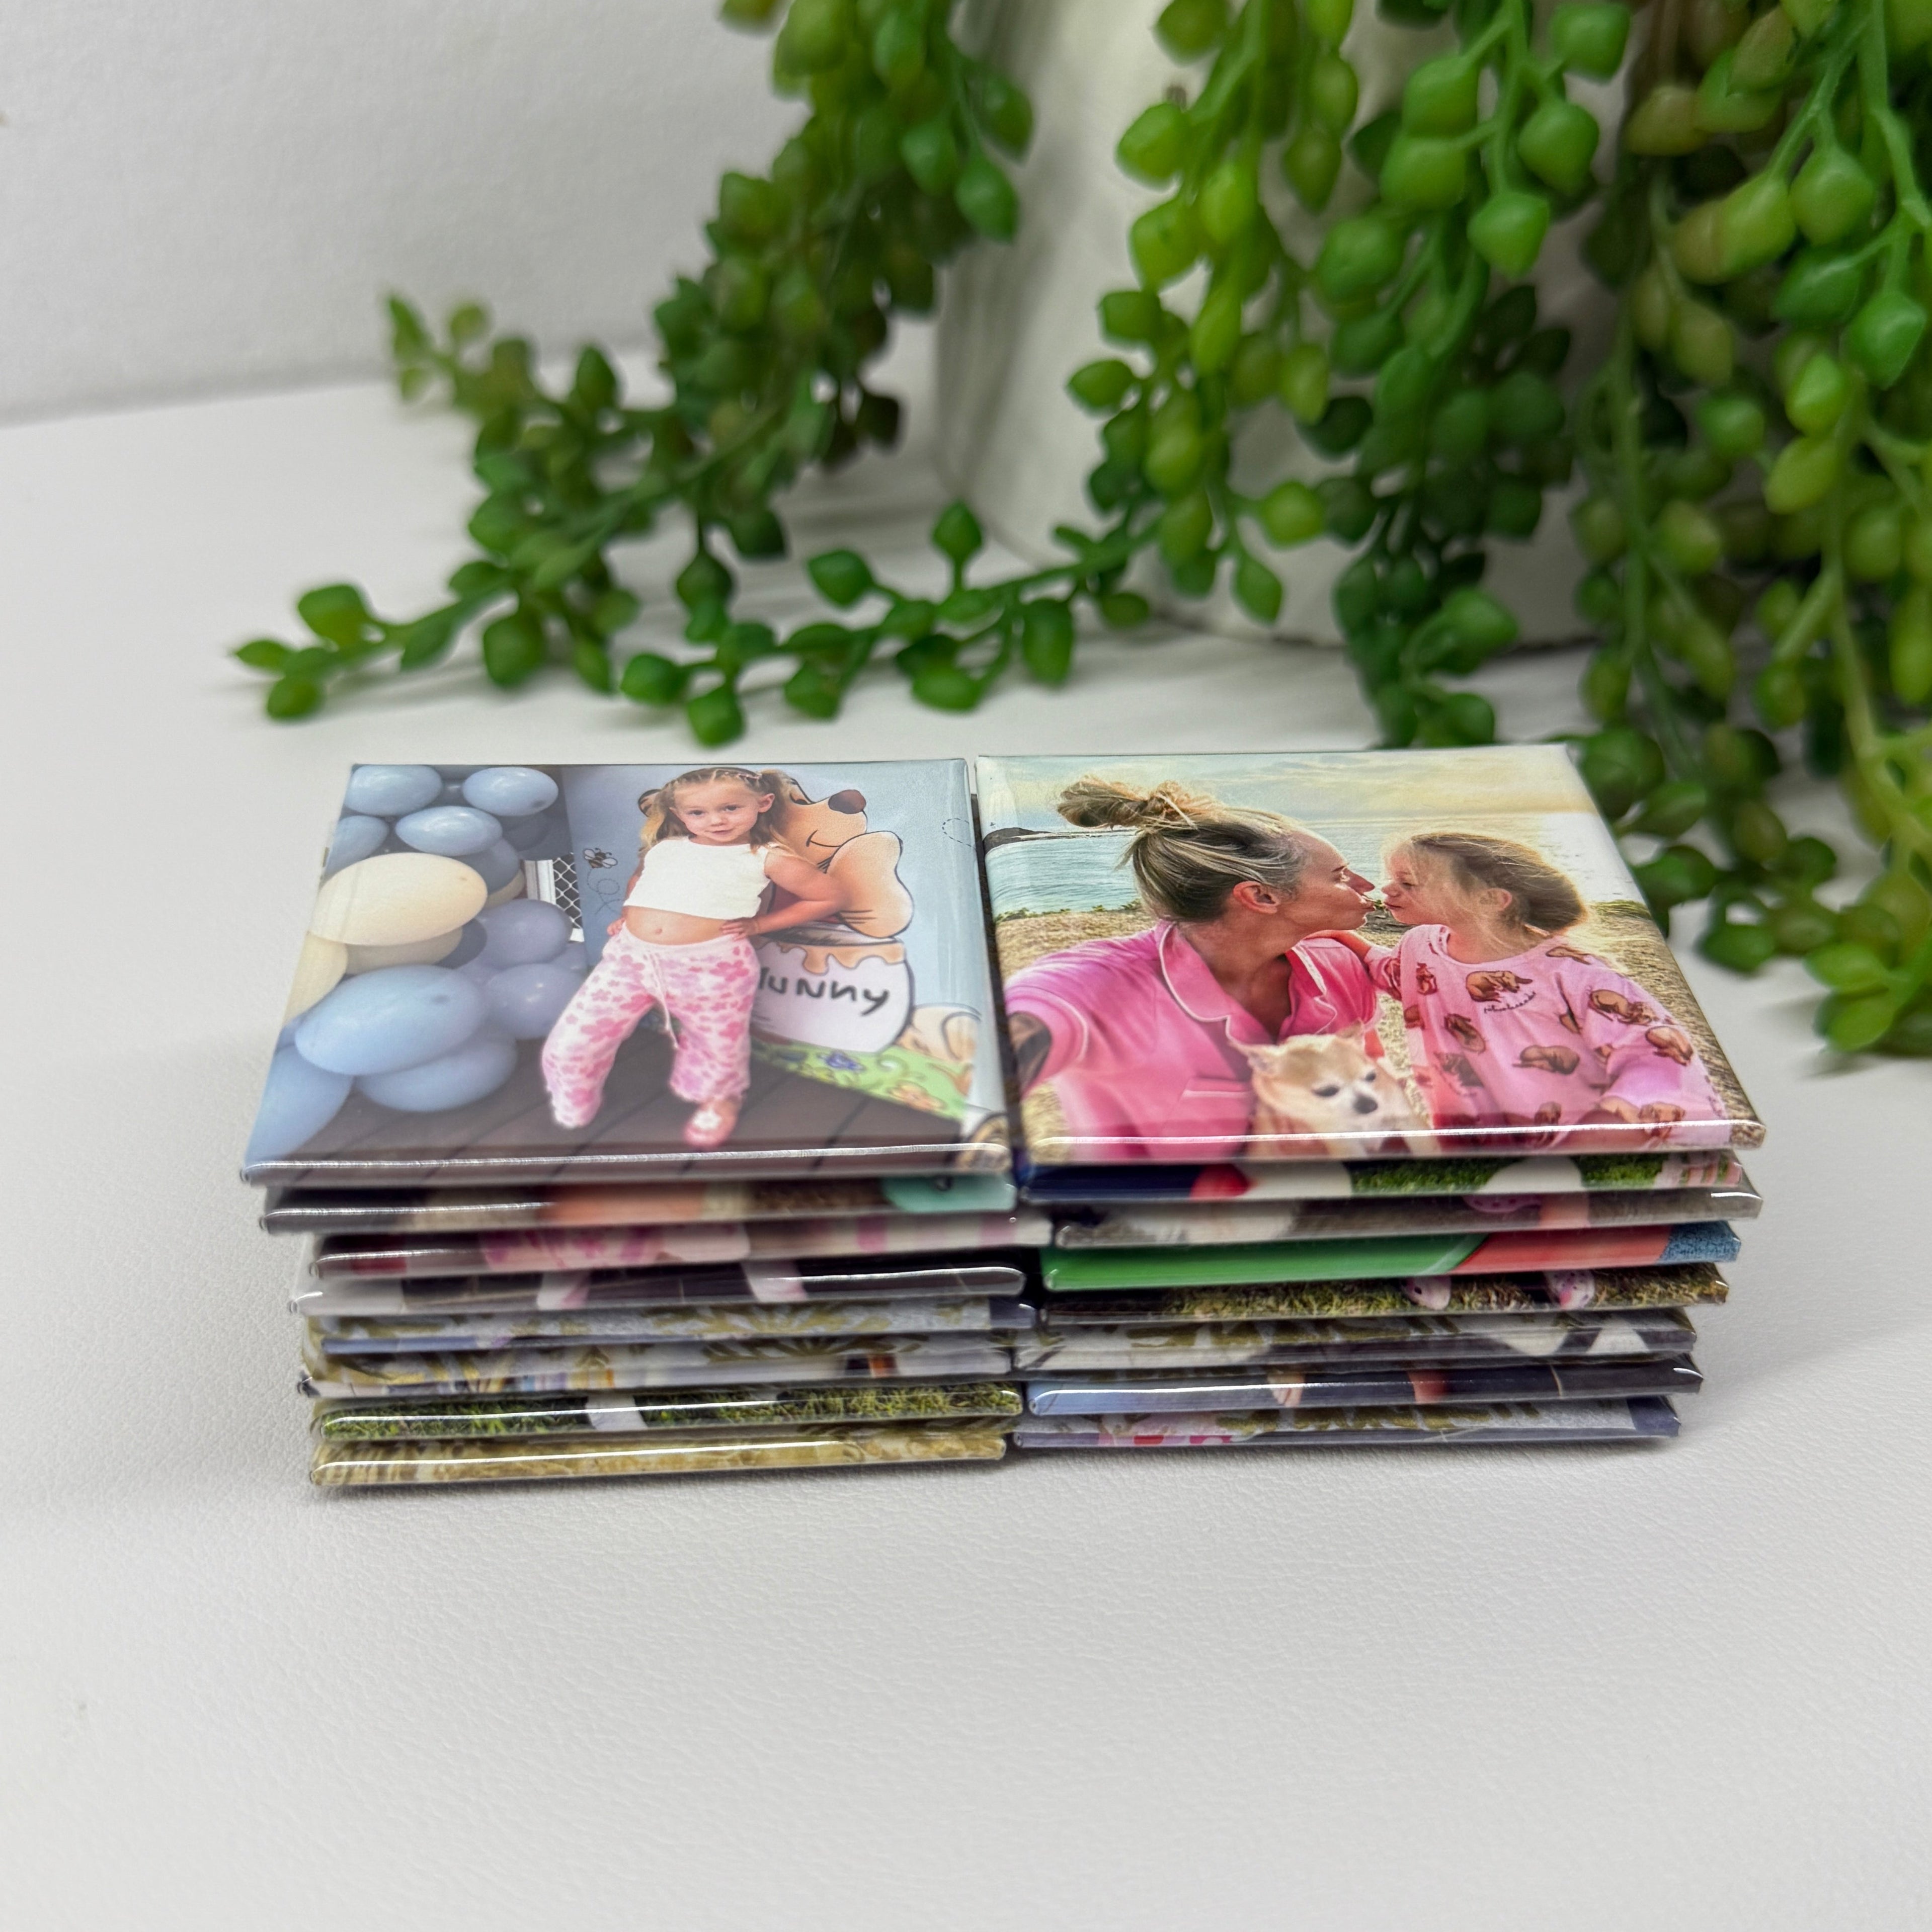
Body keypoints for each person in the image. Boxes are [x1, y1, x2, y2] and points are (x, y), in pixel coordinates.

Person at [1002, 777, 1381, 1161]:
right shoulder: (1092, 985)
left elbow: (1375, 1081)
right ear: (1261, 896)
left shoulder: (1340, 965)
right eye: (1340, 876)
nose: (1367, 885)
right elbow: (994, 1057)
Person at [1342, 831, 1725, 1143]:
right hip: (1475, 1134)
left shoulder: (1574, 972)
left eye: (1408, 883)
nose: (1388, 889)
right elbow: (1398, 976)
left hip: (1574, 1137)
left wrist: (1603, 1131)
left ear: (1491, 900)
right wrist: (1335, 934)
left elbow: (1657, 1052)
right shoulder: (1420, 945)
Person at [541, 766, 844, 1148]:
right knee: (577, 1036)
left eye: (731, 808)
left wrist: (760, 924)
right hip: (631, 958)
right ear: (679, 815)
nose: (716, 821)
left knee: (717, 1046)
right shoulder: (666, 848)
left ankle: (720, 1100)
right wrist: (630, 913)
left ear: (764, 803)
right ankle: (573, 1094)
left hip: (711, 966)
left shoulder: (765, 857)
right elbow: (640, 879)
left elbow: (829, 896)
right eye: (698, 813)